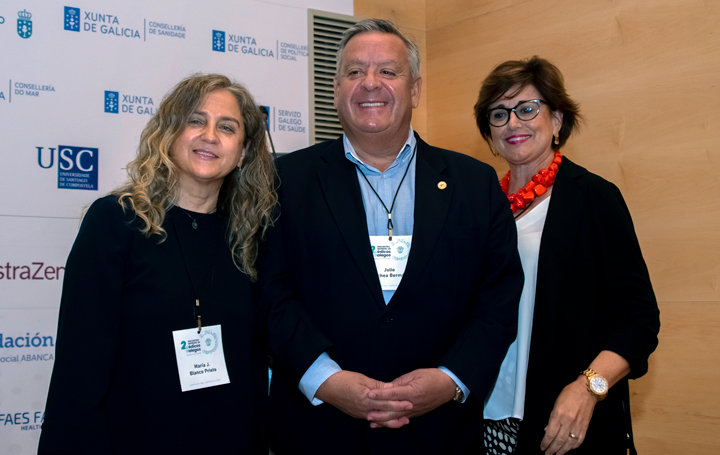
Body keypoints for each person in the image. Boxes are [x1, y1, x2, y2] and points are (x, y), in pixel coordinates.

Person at [258, 19, 524, 454]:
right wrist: (325, 379)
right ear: (335, 87)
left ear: (415, 89)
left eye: (388, 71)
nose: (370, 84)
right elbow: (272, 294)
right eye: (354, 71)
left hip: (442, 433)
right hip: (319, 430)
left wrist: (450, 379)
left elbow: (498, 297)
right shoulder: (284, 180)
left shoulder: (474, 183)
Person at [38, 74, 276, 454]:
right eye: (196, 120)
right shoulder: (115, 222)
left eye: (227, 127)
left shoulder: (249, 237)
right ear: (169, 133)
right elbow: (78, 372)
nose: (210, 135)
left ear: (244, 151)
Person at [474, 56, 660, 455]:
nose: (513, 123)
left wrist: (588, 389)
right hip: (483, 419)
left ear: (557, 120)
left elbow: (639, 320)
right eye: (499, 113)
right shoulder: (480, 207)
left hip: (561, 424)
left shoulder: (592, 197)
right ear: (489, 131)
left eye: (527, 108)